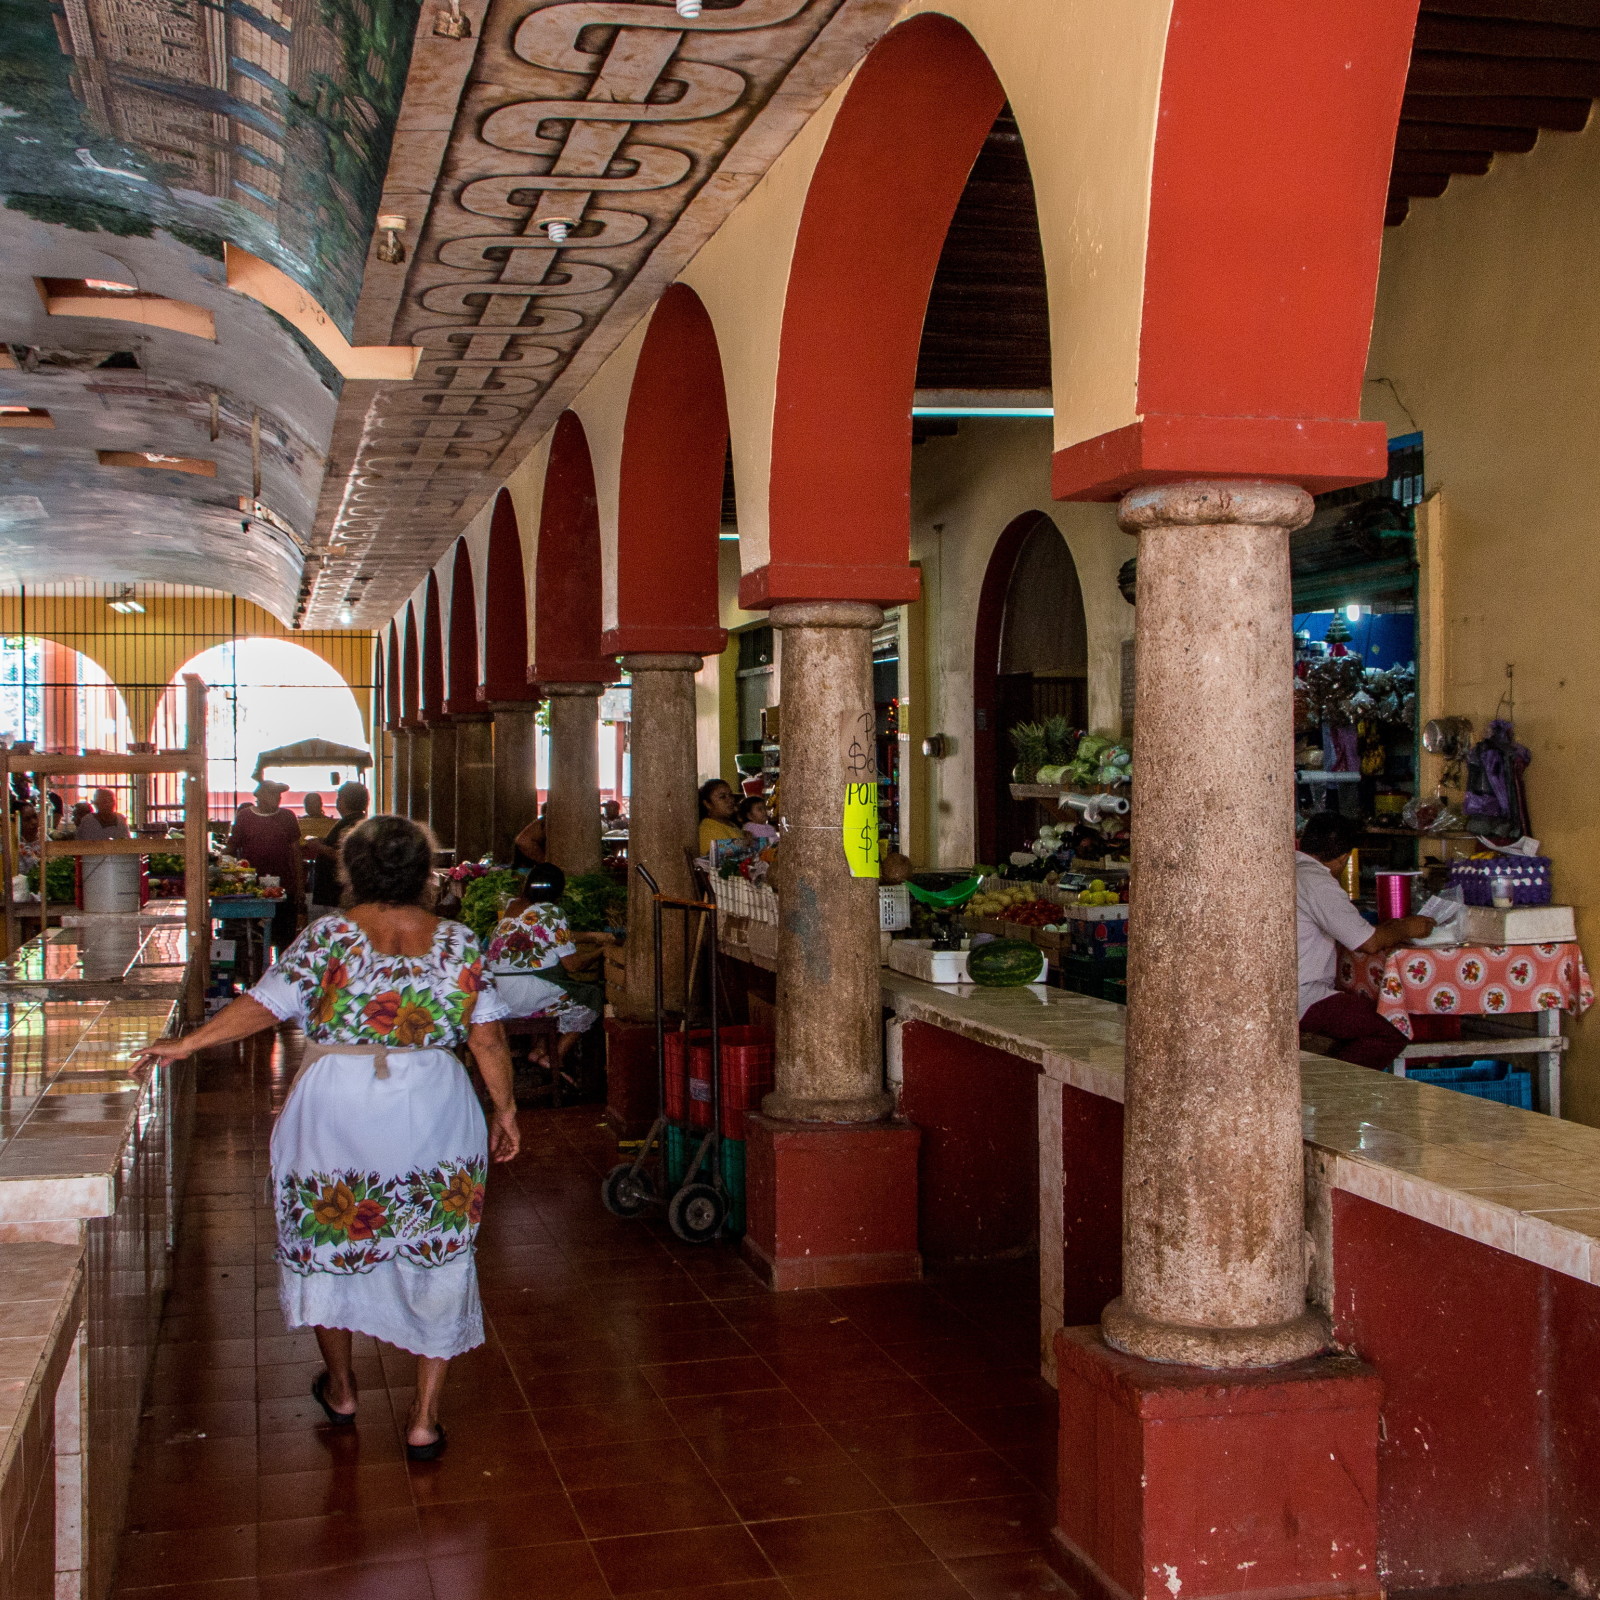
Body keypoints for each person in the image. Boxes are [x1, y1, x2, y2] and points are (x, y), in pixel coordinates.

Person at [135, 815, 519, 1460]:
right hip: (434, 1106)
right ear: (427, 873)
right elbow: (486, 1036)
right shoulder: (458, 943)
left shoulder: (328, 938)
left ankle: (341, 1388)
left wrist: (187, 1043)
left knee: (328, 1235)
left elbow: (263, 1004)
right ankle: (424, 1419)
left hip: (335, 1106)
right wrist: (504, 1109)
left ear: (350, 869)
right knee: (439, 1249)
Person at [1296, 812, 1434, 1070]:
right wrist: (1406, 927)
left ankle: (1323, 1084)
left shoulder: (1290, 870)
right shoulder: (1316, 881)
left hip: (1287, 990)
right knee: (1391, 1030)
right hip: (1303, 994)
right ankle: (1326, 1092)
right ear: (1344, 857)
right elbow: (1367, 942)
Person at [485, 862, 608, 1064]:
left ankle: (539, 1049)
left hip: (498, 993)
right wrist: (601, 951)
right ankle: (554, 1057)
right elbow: (573, 965)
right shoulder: (552, 912)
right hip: (525, 992)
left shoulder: (513, 907)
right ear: (558, 890)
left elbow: (548, 935)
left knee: (550, 991)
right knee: (590, 998)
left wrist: (593, 937)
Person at [229, 781, 305, 952]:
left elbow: (296, 853)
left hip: (284, 888)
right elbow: (232, 847)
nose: (277, 798)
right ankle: (256, 976)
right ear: (260, 796)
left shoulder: (288, 817)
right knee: (255, 939)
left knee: (285, 940)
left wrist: (300, 887)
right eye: (273, 794)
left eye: (279, 795)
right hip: (253, 890)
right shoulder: (245, 817)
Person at [302, 782, 369, 921]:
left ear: (343, 800)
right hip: (332, 895)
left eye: (339, 797)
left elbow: (345, 855)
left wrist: (319, 847)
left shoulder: (352, 824)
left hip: (335, 896)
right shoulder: (353, 822)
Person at [697, 779, 742, 855]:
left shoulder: (731, 824)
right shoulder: (707, 829)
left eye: (730, 795)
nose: (730, 800)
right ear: (708, 804)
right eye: (722, 797)